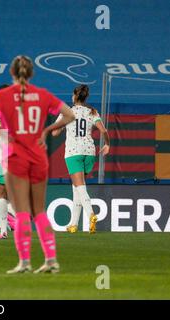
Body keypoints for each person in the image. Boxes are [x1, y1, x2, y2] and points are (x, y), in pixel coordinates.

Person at [0, 55, 75, 274]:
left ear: (12, 73)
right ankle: (50, 259)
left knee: (21, 212)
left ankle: (25, 262)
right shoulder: (42, 95)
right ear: (31, 73)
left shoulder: (4, 96)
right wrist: (47, 131)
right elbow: (69, 114)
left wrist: (2, 130)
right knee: (39, 210)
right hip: (38, 156)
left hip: (17, 157)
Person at [52, 84, 110, 234]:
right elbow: (103, 130)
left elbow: (54, 133)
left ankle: (91, 214)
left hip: (73, 152)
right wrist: (108, 145)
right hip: (89, 152)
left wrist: (62, 126)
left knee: (80, 188)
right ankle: (73, 224)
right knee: (77, 187)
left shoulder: (67, 112)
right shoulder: (92, 111)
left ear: (74, 96)